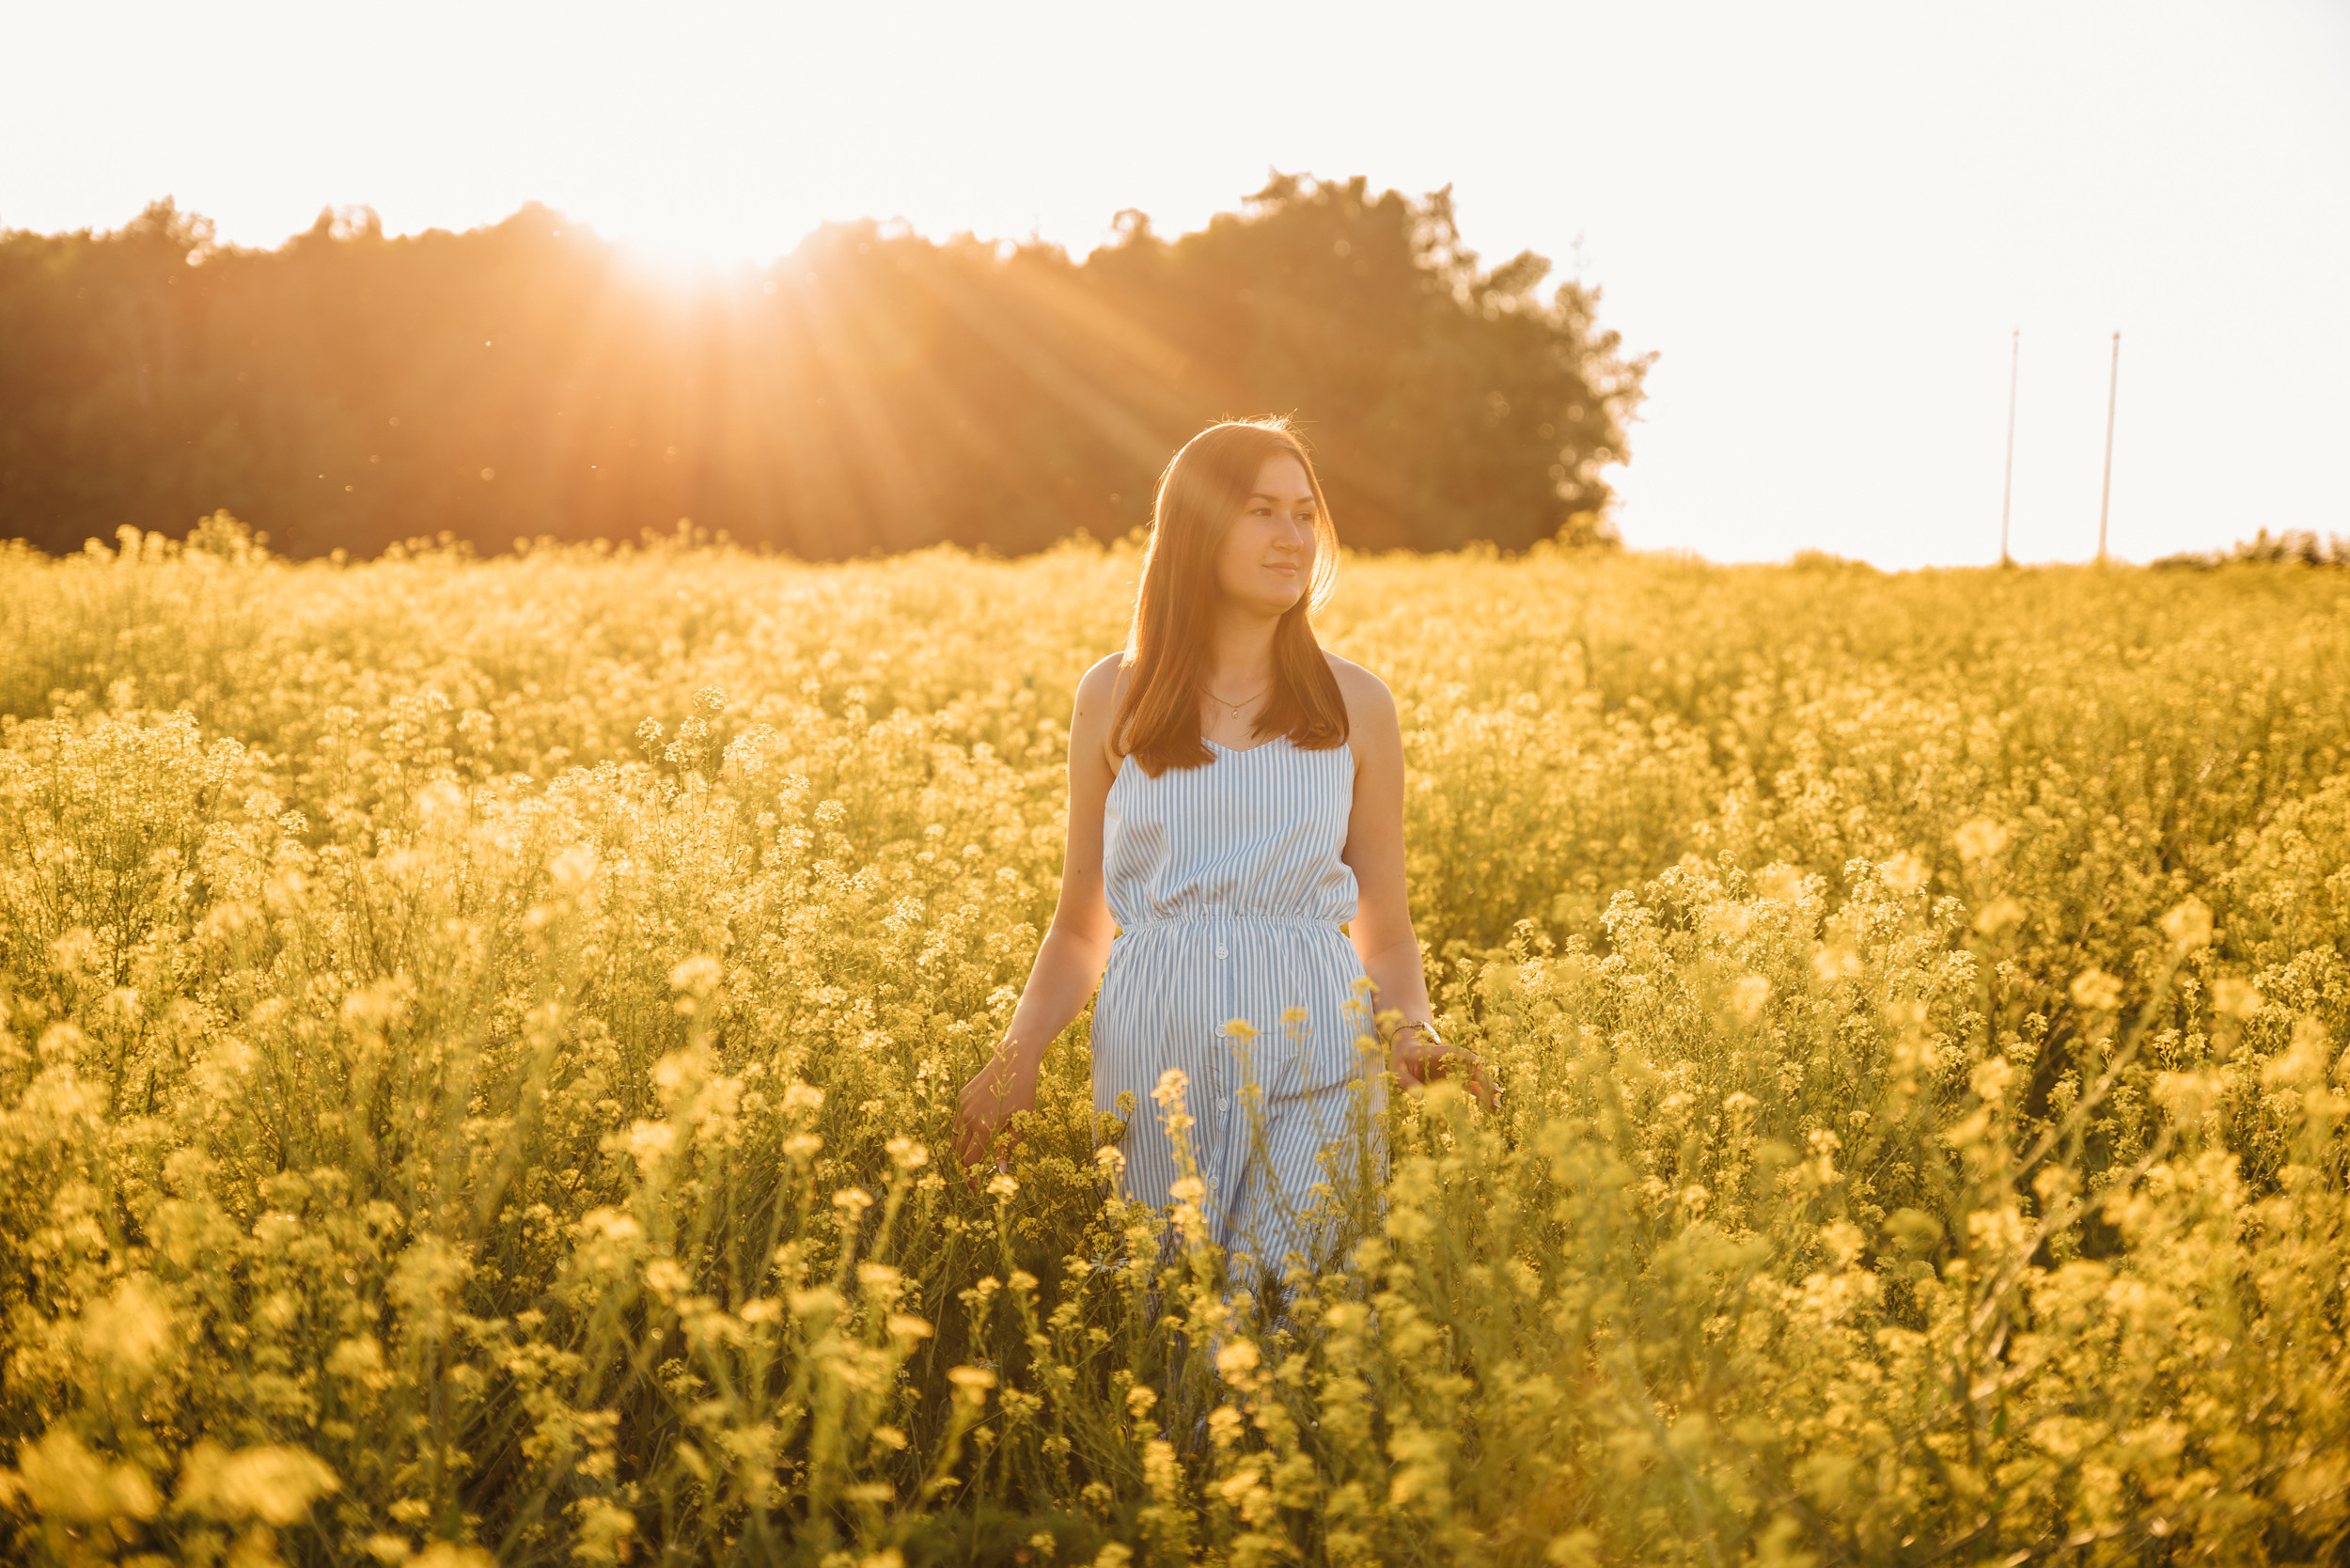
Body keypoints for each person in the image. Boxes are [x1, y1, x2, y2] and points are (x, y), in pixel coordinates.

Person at [954, 417, 1496, 1282]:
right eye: (1262, 512)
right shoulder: (1115, 694)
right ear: (1199, 528)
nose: (1293, 538)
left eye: (1305, 514)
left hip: (1317, 1033)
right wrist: (1017, 1059)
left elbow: (1384, 930)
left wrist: (1413, 1031)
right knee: (1176, 1327)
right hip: (1155, 1043)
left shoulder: (1358, 703)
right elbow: (1081, 927)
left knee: (1280, 1314)